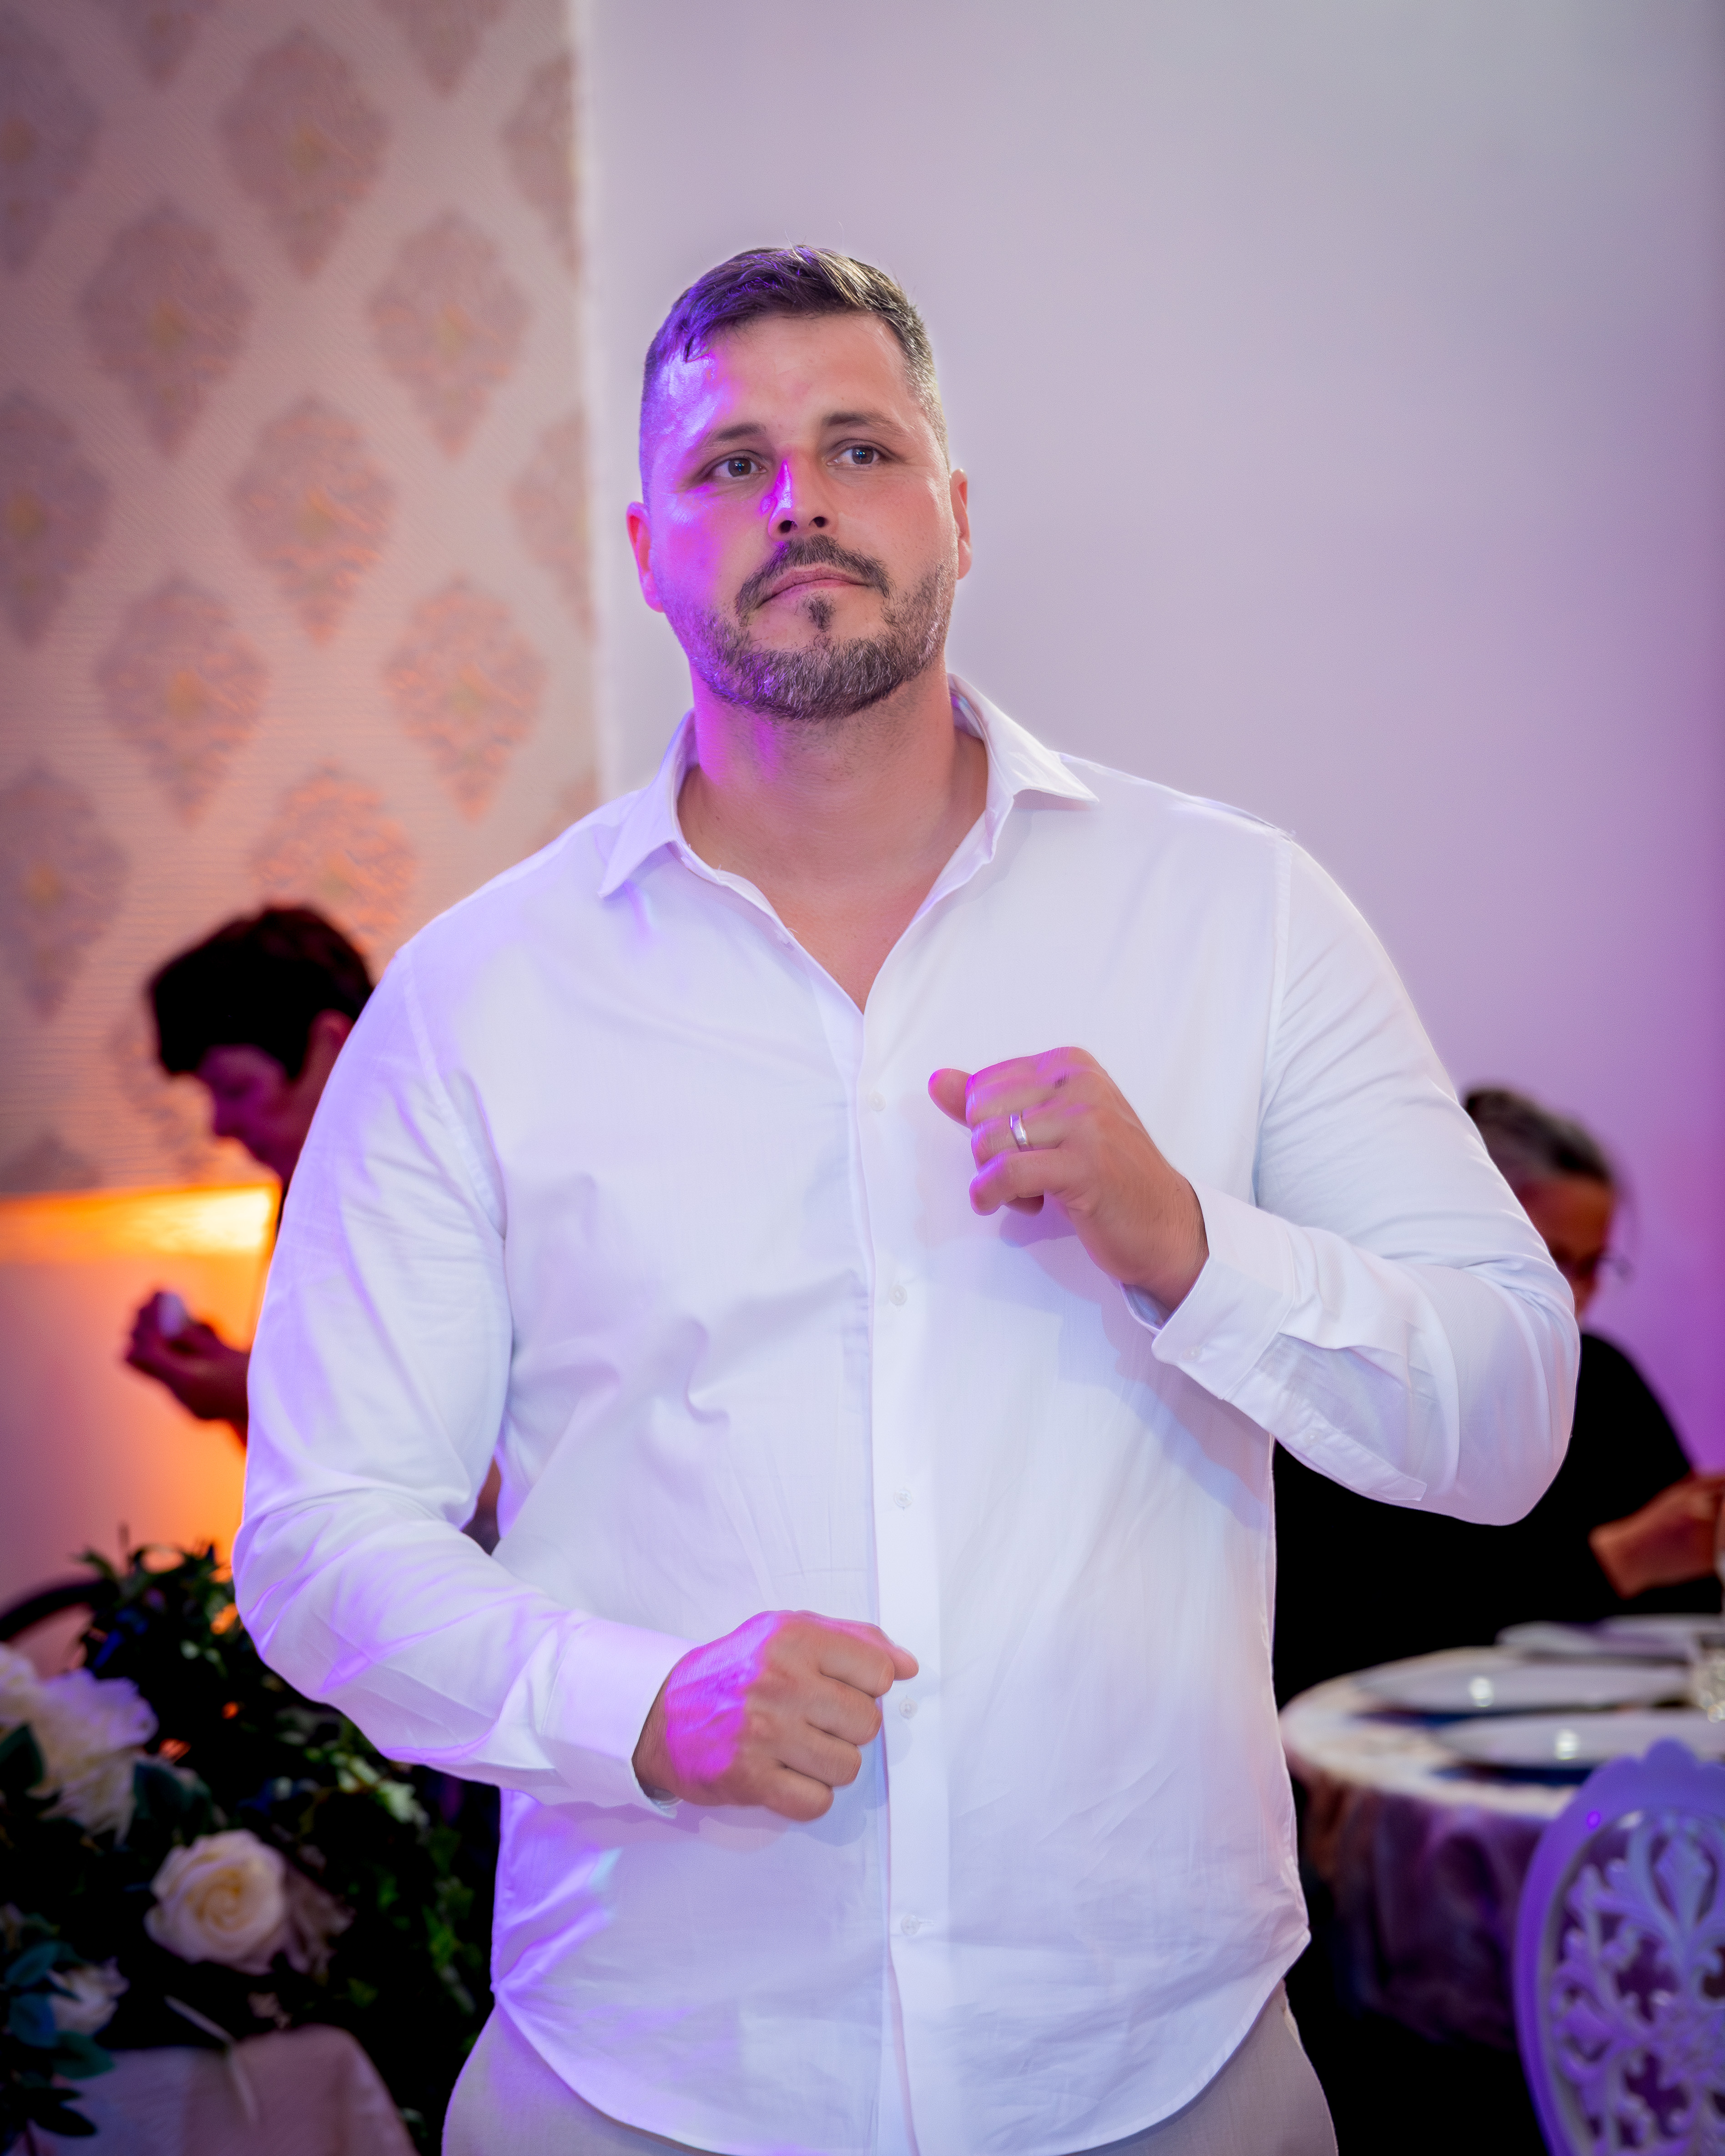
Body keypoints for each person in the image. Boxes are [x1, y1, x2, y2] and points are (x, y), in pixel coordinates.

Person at [232, 247, 1576, 2156]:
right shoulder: (475, 998)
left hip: (1167, 2068)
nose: (796, 500)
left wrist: (1191, 1245)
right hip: (644, 2080)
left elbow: (1509, 1408)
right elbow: (320, 1538)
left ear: (953, 510)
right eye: (731, 463)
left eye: (856, 447)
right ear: (646, 547)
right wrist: (634, 1703)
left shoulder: (1236, 912)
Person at [121, 907, 373, 1442]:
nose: (219, 1126)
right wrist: (226, 1383)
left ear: (333, 1044)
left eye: (237, 1089)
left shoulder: (437, 1196)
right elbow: (302, 1460)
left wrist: (253, 1389)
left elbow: (448, 1447)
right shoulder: (301, 1197)